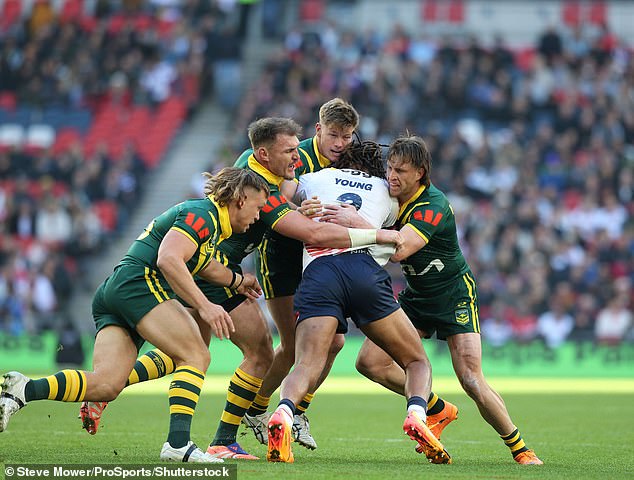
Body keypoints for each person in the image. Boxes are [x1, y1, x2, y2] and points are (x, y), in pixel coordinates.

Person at [77, 117, 402, 460]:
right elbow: (314, 234)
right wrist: (378, 234)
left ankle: (109, 387)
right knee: (259, 352)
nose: (296, 157)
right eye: (289, 151)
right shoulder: (261, 190)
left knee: (186, 353)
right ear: (264, 154)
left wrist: (298, 208)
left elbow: (288, 197)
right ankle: (225, 437)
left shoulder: (263, 169)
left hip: (216, 269)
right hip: (214, 270)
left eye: (297, 149)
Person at [1, 167, 269, 463]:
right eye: (258, 208)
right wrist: (205, 305)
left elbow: (204, 266)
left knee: (106, 384)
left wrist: (237, 280)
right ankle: (178, 444)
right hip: (139, 285)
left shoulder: (208, 220)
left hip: (116, 291)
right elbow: (168, 258)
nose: (258, 217)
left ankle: (23, 389)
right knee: (196, 355)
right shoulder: (203, 215)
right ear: (241, 200)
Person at [322, 135, 543, 465]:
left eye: (401, 171)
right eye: (390, 168)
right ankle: (437, 408)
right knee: (369, 363)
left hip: (453, 294)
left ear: (420, 173)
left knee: (470, 378)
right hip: (417, 297)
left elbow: (401, 250)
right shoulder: (387, 195)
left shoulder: (432, 205)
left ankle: (520, 448)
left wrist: (357, 223)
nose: (392, 176)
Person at [266, 141, 451, 464]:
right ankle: (417, 415)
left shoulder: (316, 178)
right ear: (379, 168)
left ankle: (283, 412)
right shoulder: (387, 192)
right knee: (415, 361)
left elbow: (280, 191)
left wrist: (300, 207)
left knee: (306, 364)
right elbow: (395, 240)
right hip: (363, 272)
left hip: (319, 272)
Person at [240, 98, 360, 450]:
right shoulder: (296, 155)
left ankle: (298, 409)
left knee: (335, 342)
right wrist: (297, 208)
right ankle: (257, 409)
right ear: (319, 130)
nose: (340, 143)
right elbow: (271, 196)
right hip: (282, 257)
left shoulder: (350, 160)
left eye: (347, 136)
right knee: (294, 346)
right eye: (334, 135)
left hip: (321, 258)